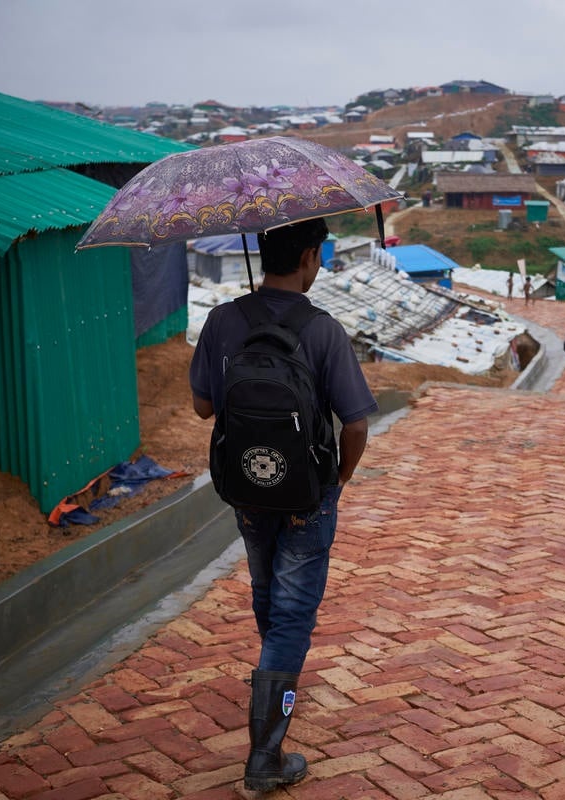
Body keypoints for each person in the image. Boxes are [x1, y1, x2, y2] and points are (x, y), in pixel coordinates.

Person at [189, 217, 377, 792]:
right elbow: (355, 421)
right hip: (306, 495)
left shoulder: (223, 320)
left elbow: (202, 407)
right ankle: (265, 755)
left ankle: (275, 681)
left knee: (269, 593)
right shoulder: (322, 329)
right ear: (309, 257)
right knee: (293, 611)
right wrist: (337, 481)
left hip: (245, 487)